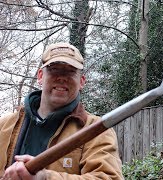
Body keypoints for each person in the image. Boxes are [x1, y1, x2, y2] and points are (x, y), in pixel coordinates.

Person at [0, 43, 123, 179]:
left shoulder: (97, 130)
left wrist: (44, 178)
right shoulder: (4, 126)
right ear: (40, 76)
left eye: (71, 71)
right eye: (54, 69)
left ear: (82, 81)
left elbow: (108, 177)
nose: (62, 77)